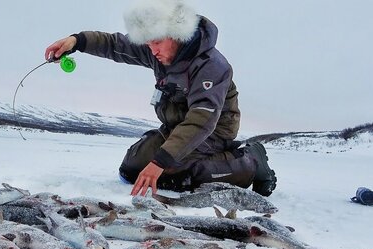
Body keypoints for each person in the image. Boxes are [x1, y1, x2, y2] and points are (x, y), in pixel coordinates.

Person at [45, 0, 276, 197]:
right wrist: (77, 41)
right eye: (148, 42)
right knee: (133, 168)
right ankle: (172, 157)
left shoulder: (211, 66)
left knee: (173, 174)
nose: (152, 50)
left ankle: (250, 163)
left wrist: (160, 162)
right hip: (177, 126)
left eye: (156, 42)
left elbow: (201, 120)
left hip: (213, 131)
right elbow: (116, 45)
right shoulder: (160, 52)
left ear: (176, 34)